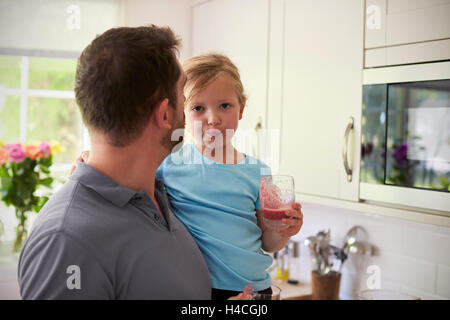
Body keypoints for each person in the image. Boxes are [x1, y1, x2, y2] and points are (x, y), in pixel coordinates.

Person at [18, 25, 212, 299]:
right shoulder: (66, 242)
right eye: (183, 92)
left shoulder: (160, 196)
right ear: (163, 114)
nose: (187, 102)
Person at [156, 53, 303, 300]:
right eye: (198, 108)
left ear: (241, 108)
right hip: (201, 291)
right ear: (182, 113)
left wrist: (285, 230)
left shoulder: (258, 172)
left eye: (224, 105)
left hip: (256, 291)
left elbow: (268, 242)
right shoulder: (169, 165)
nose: (213, 118)